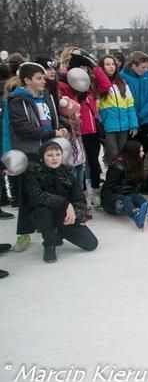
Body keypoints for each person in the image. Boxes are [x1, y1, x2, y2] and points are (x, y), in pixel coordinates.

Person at [4, 62, 67, 252]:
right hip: (30, 151)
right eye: (39, 78)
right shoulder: (18, 100)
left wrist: (61, 127)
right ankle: (23, 233)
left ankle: (50, 227)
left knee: (52, 190)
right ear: (27, 80)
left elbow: (52, 117)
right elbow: (23, 126)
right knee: (29, 194)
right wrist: (51, 133)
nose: (43, 81)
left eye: (43, 77)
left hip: (48, 150)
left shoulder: (45, 96)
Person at [23, 141, 98, 263]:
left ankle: (59, 231)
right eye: (50, 155)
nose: (54, 158)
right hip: (42, 214)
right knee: (44, 212)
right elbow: (38, 196)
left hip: (64, 215)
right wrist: (65, 203)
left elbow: (79, 197)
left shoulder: (66, 172)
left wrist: (75, 214)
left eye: (58, 154)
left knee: (91, 244)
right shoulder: (33, 172)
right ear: (42, 157)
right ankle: (49, 245)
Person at [59, 49, 111, 193]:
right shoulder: (65, 83)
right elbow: (64, 103)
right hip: (78, 129)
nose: (83, 70)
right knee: (78, 163)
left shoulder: (88, 84)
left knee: (94, 162)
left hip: (93, 129)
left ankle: (94, 190)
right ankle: (79, 193)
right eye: (80, 67)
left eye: (84, 68)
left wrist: (94, 66)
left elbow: (106, 86)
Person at [102, 140, 148, 229]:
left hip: (126, 195)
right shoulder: (117, 167)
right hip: (111, 201)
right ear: (133, 152)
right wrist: (125, 191)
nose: (143, 154)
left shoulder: (135, 163)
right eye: (140, 151)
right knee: (127, 199)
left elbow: (135, 186)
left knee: (137, 197)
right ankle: (136, 217)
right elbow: (109, 188)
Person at [98, 55, 139, 164]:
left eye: (113, 64)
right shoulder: (98, 84)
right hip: (109, 126)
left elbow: (130, 104)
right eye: (107, 64)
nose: (111, 67)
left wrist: (133, 124)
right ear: (101, 67)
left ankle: (121, 179)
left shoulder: (122, 83)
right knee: (113, 156)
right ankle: (113, 179)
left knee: (122, 156)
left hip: (124, 125)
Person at [121, 51, 148, 147]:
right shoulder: (122, 76)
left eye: (146, 67)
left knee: (147, 147)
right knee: (132, 149)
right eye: (142, 67)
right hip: (130, 120)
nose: (145, 70)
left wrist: (142, 114)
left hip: (146, 118)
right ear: (133, 65)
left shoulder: (147, 75)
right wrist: (133, 117)